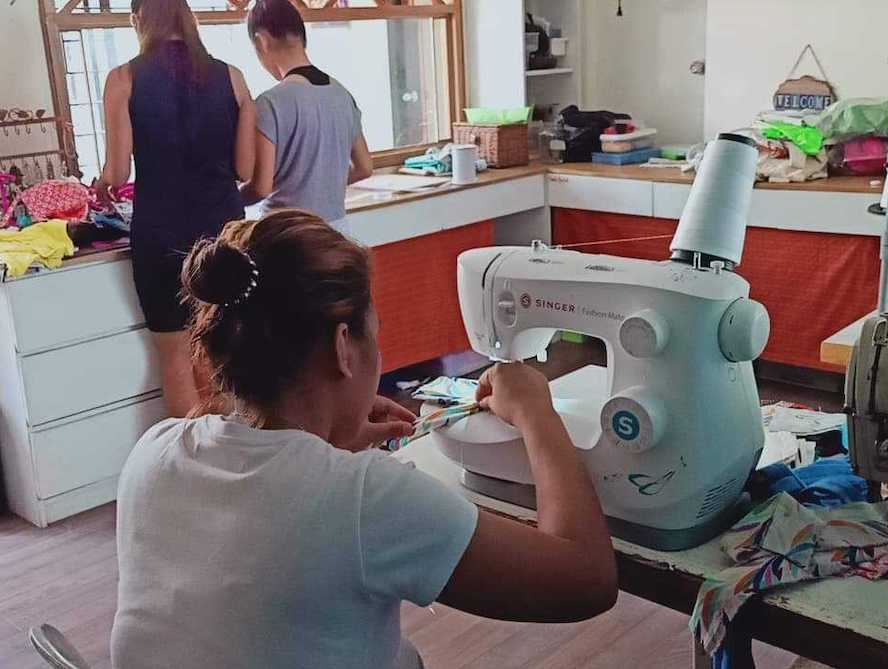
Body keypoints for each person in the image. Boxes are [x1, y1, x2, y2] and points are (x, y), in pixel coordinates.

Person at [111, 210, 618, 669]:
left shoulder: (154, 450)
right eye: (376, 331)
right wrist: (536, 410)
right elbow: (586, 580)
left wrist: (325, 438)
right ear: (343, 348)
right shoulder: (362, 498)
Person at [96, 0, 256, 417]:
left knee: (175, 355)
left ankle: (194, 465)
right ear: (188, 18)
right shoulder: (232, 77)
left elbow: (116, 171)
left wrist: (98, 186)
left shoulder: (123, 79)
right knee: (222, 349)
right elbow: (244, 168)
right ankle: (235, 452)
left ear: (138, 20)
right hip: (224, 230)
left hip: (161, 231)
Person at [240, 0, 373, 227]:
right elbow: (365, 168)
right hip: (337, 231)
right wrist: (325, 186)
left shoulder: (270, 102)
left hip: (287, 233)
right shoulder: (342, 95)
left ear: (262, 41)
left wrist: (227, 198)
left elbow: (262, 186)